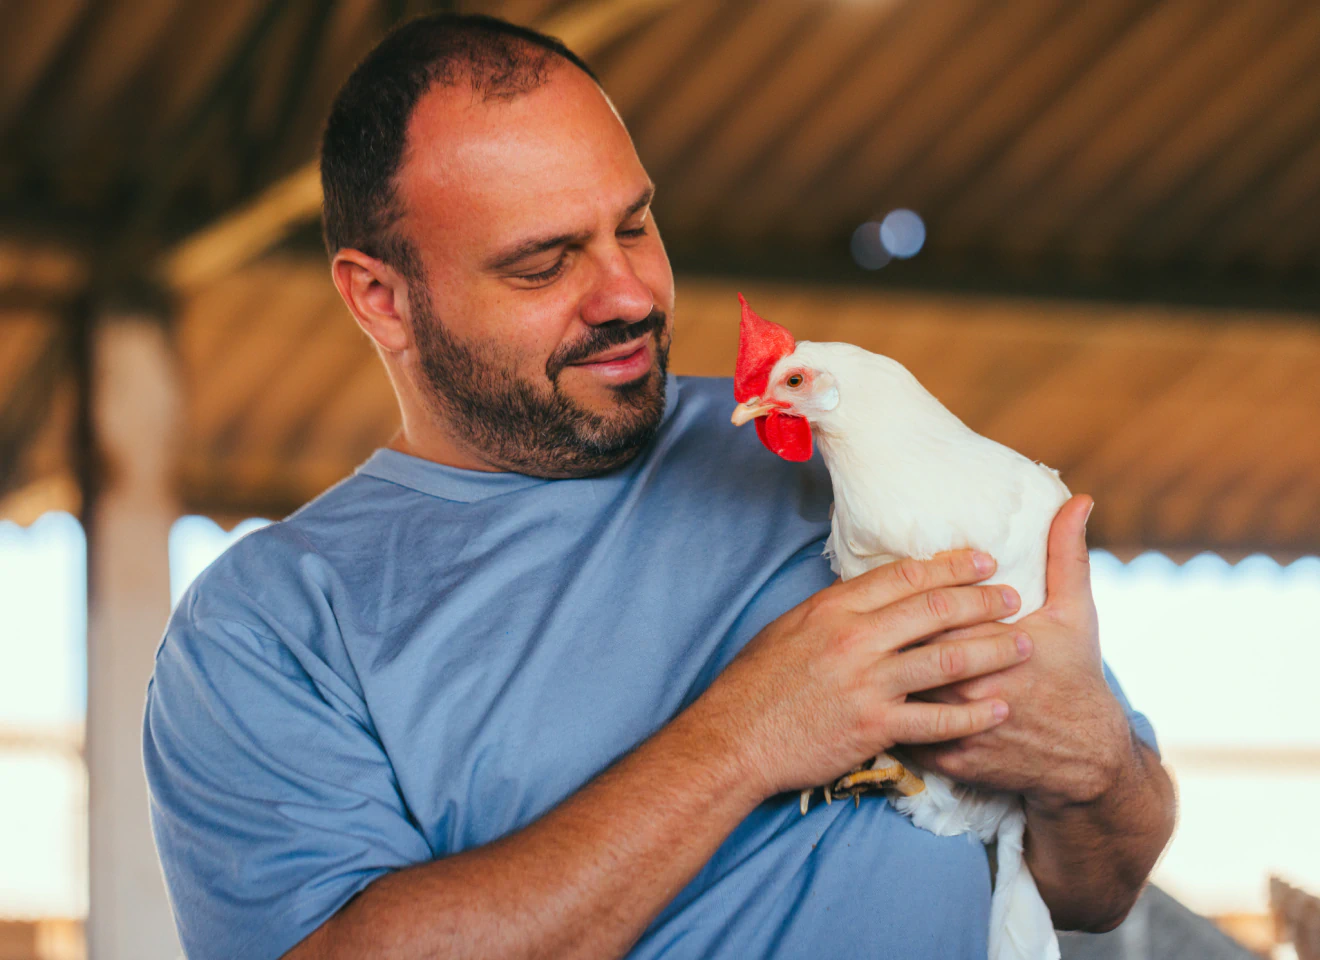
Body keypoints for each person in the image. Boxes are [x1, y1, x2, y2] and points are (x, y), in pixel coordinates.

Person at [143, 13, 1175, 960]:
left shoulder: (825, 453)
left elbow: (1098, 883)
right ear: (382, 298)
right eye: (544, 263)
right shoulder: (272, 628)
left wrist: (1094, 766)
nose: (628, 293)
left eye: (633, 225)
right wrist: (745, 738)